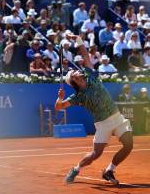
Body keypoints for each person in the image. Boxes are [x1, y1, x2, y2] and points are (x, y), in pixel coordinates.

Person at [55, 34, 133, 185]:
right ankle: (76, 169)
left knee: (128, 145)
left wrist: (77, 39)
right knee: (95, 154)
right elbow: (59, 107)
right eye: (73, 73)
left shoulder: (91, 75)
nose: (76, 71)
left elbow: (84, 53)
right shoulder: (78, 96)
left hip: (117, 117)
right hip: (103, 124)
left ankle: (109, 170)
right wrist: (59, 98)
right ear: (73, 81)